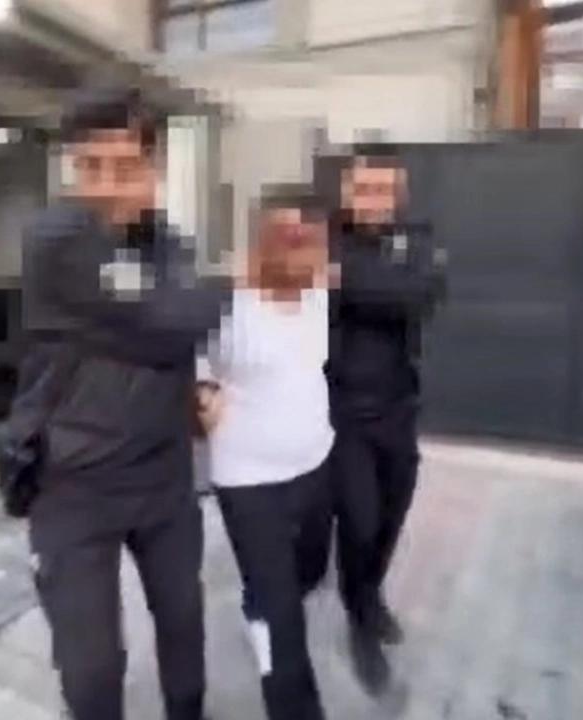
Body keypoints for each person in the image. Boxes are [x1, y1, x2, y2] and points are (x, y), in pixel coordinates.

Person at [19, 86, 227, 720]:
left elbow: (188, 324)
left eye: (126, 167)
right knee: (92, 671)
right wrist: (170, 323)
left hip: (164, 478)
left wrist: (192, 371)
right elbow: (179, 322)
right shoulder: (54, 238)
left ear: (154, 169)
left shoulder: (171, 243)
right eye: (90, 167)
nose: (106, 187)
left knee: (184, 625)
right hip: (73, 485)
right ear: (71, 168)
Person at [195, 186, 334, 720]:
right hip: (249, 481)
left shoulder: (320, 294)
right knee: (283, 620)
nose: (298, 248)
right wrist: (200, 389)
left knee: (309, 572)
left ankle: (261, 601)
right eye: (285, 236)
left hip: (316, 464)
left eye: (308, 238)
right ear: (260, 240)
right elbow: (181, 353)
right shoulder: (224, 303)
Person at [326, 150, 445, 692]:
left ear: (398, 195)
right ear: (347, 193)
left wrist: (349, 282)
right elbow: (394, 292)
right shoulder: (326, 239)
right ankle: (360, 623)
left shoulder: (415, 236)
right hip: (342, 413)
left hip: (398, 407)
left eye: (383, 191)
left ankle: (368, 595)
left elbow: (423, 296)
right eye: (364, 190)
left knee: (392, 516)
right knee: (360, 520)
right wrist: (382, 285)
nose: (373, 201)